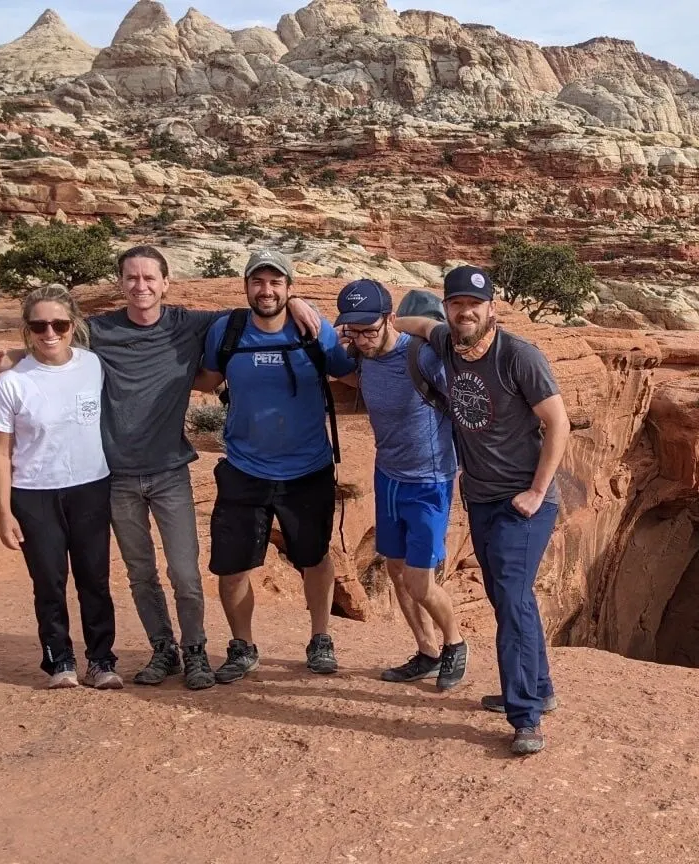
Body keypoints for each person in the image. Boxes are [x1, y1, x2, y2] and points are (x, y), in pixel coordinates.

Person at [0, 245, 322, 690]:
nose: (141, 286)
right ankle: (163, 650)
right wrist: (9, 359)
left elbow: (256, 305)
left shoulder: (189, 323)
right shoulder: (99, 331)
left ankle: (195, 649)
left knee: (186, 573)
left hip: (169, 470)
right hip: (115, 476)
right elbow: (52, 343)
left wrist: (295, 300)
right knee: (140, 574)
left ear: (166, 283)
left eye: (149, 278)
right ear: (121, 283)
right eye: (132, 278)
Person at [392, 265, 570, 756]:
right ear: (447, 308)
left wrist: (536, 490)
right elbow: (416, 325)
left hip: (525, 503)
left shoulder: (519, 356)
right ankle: (541, 688)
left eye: (474, 304)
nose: (465, 312)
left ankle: (525, 716)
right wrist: (386, 321)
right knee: (507, 596)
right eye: (455, 305)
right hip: (484, 498)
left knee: (512, 596)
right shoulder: (448, 341)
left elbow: (558, 423)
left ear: (492, 308)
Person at [193, 250, 356, 683]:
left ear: (289, 287)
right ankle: (242, 645)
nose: (266, 291)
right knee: (232, 566)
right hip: (245, 468)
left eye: (275, 283)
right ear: (246, 286)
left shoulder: (312, 329)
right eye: (258, 282)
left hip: (307, 469)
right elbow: (206, 379)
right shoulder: (226, 331)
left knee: (315, 556)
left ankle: (320, 638)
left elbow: (352, 372)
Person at [0, 285, 120, 690]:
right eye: (39, 325)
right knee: (49, 580)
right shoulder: (11, 382)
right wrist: (4, 512)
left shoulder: (93, 364)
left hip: (91, 486)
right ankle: (59, 659)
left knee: (94, 578)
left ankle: (101, 660)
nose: (49, 333)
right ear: (27, 329)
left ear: (73, 325)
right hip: (34, 493)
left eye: (59, 323)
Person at [333, 279, 467, 690]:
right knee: (394, 568)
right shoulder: (362, 356)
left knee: (419, 579)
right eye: (351, 331)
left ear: (391, 318)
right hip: (388, 476)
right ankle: (426, 650)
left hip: (430, 480)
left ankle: (455, 643)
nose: (361, 339)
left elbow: (462, 374)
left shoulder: (424, 356)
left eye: (369, 330)